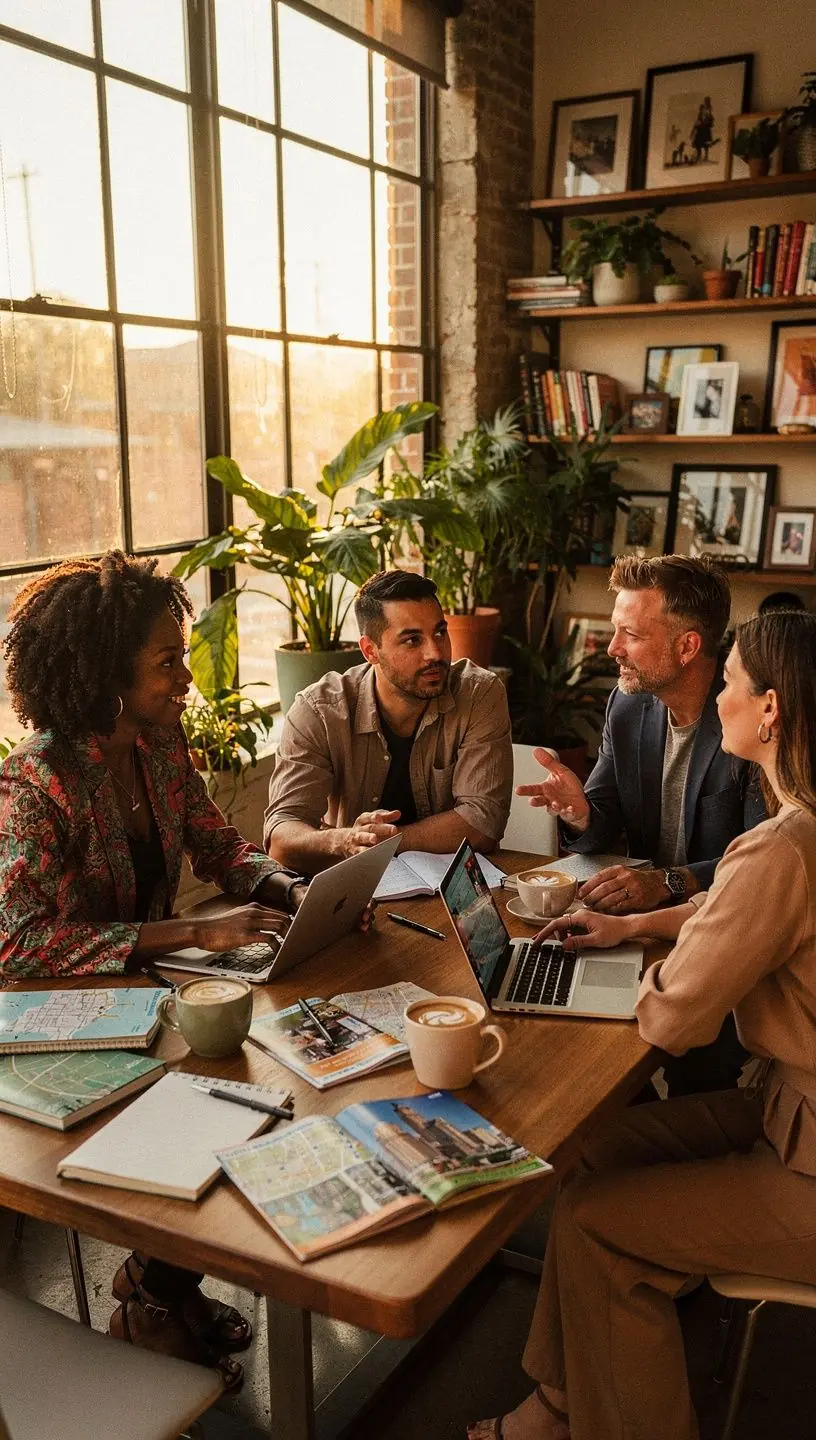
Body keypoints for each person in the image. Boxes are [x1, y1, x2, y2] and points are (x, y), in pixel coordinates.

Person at [469, 608, 816, 1440]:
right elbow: (732, 915)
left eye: (732, 682)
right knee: (589, 1156)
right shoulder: (797, 836)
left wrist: (668, 958)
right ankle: (560, 1405)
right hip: (787, 1113)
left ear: (770, 709)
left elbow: (672, 1019)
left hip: (806, 1156)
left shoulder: (781, 847)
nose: (721, 697)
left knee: (593, 1229)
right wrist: (636, 930)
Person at [0, 552, 310, 1390]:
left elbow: (217, 841)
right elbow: (14, 943)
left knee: (256, 1104)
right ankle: (148, 1300)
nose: (186, 678)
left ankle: (158, 1284)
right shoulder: (37, 783)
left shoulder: (160, 745)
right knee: (216, 1117)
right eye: (167, 661)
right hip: (54, 1029)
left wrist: (289, 886)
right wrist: (188, 935)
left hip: (143, 1002)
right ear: (107, 673)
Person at [517, 555, 765, 1095]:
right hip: (640, 925)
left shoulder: (749, 723)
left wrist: (668, 880)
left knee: (678, 1066)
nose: (611, 649)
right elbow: (603, 823)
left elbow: (761, 864)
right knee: (568, 1040)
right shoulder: (628, 707)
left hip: (720, 937)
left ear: (687, 647)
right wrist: (581, 812)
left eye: (629, 633)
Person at [264, 569, 513, 870]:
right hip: (354, 890)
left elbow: (483, 823)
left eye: (439, 632)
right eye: (412, 640)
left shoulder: (478, 693)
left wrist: (385, 841)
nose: (435, 653)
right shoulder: (319, 711)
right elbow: (281, 839)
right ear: (371, 651)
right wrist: (344, 841)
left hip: (453, 888)